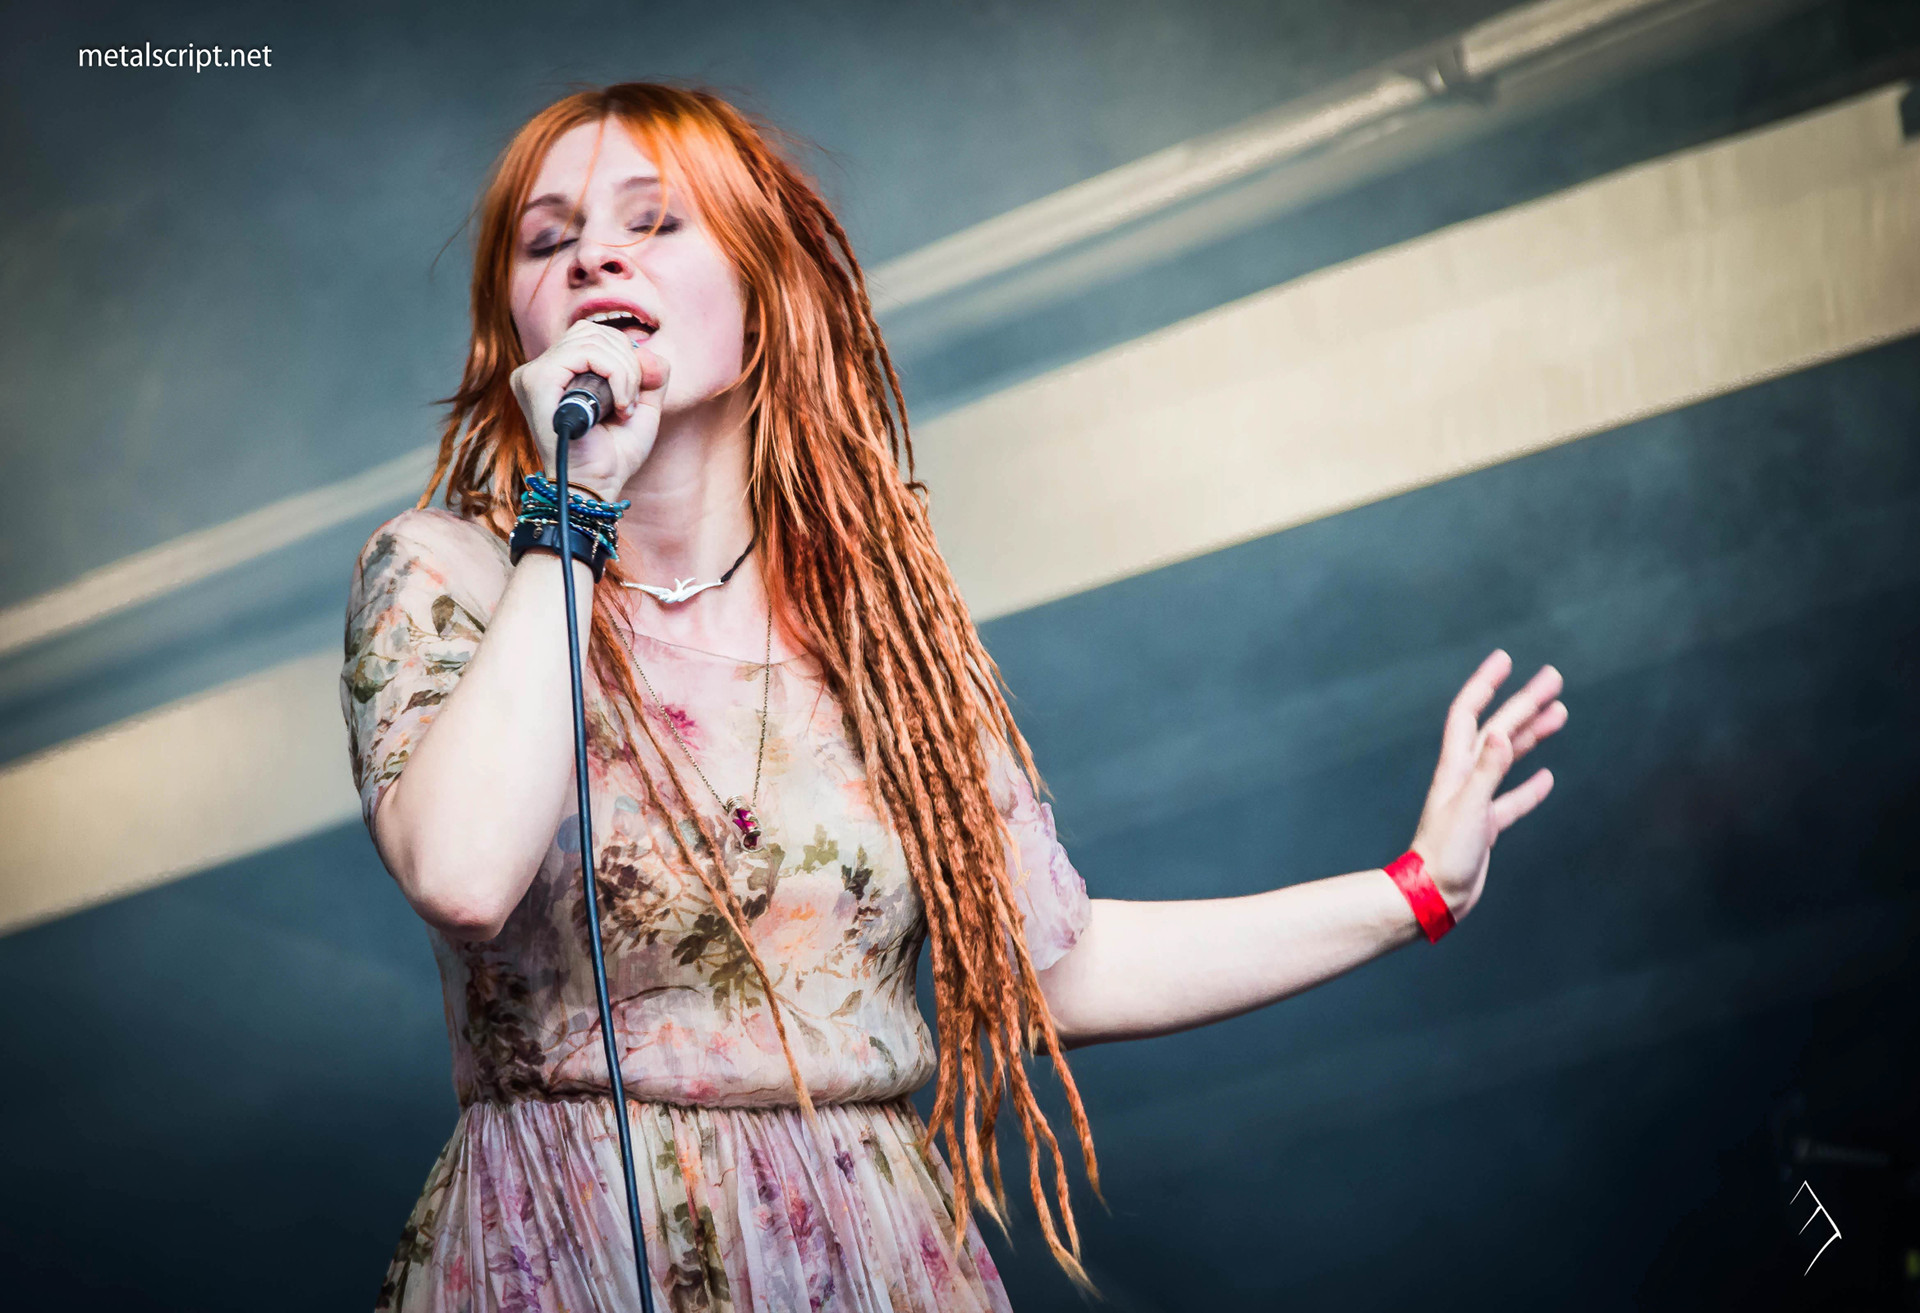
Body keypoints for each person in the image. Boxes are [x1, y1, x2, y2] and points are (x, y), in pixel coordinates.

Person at [339, 82, 1567, 1313]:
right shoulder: (455, 576)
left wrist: (1414, 890)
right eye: (548, 240)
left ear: (762, 299)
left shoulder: (878, 636)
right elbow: (464, 871)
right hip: (565, 1248)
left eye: (654, 221)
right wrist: (573, 511)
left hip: (861, 1255)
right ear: (514, 331)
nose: (595, 253)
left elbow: (1052, 973)